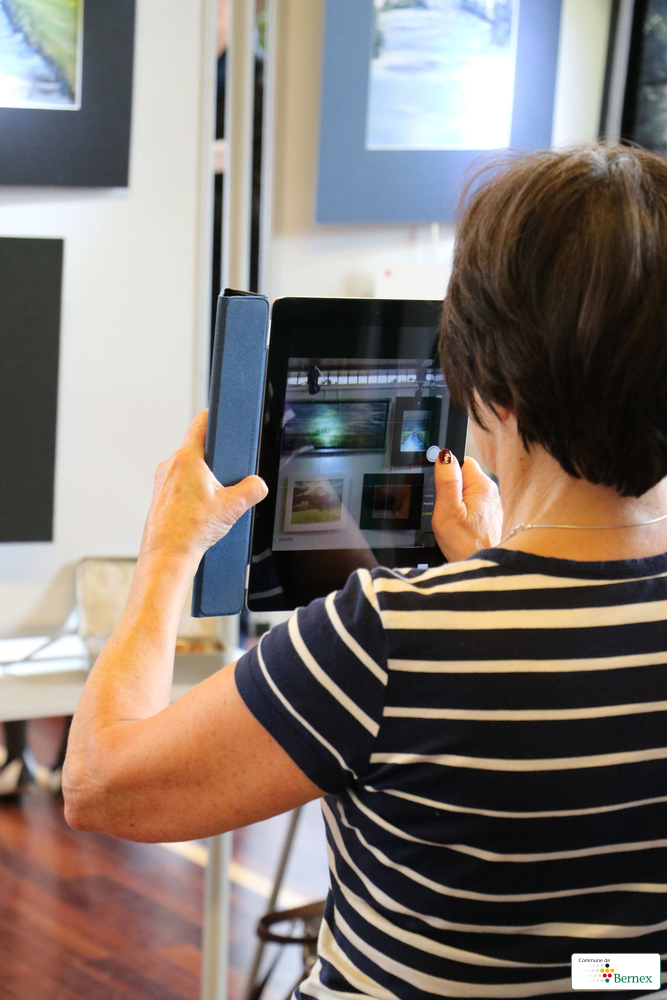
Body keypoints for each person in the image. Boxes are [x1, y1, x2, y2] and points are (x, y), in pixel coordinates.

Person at [63, 144, 667, 999]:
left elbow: (102, 785)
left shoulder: (388, 636)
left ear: (493, 382)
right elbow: (614, 960)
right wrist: (489, 571)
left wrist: (167, 552)